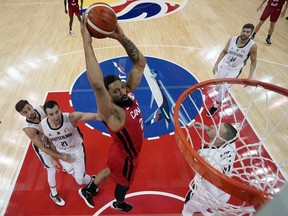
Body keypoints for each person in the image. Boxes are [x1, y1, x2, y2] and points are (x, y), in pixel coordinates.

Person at [78, 15, 147, 212]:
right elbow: (98, 85)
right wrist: (87, 42)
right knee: (124, 182)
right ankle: (119, 202)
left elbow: (140, 63)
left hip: (118, 150)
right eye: (115, 91)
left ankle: (89, 189)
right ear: (108, 96)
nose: (122, 92)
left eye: (122, 88)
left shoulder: (128, 94)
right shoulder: (112, 113)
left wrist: (121, 37)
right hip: (127, 157)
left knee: (109, 170)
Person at [15, 100, 72, 206]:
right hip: (42, 147)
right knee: (51, 169)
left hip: (52, 139)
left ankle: (64, 166)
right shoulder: (28, 128)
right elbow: (42, 146)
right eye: (25, 112)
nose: (29, 112)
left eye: (29, 108)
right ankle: (54, 194)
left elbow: (56, 117)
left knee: (65, 155)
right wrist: (53, 158)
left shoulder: (41, 108)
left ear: (31, 106)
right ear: (21, 114)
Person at [40, 100, 101, 189]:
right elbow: (47, 144)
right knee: (71, 172)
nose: (56, 116)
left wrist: (109, 116)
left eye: (57, 112)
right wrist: (53, 159)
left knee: (80, 180)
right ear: (46, 115)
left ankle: (92, 181)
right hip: (61, 153)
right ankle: (85, 177)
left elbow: (95, 116)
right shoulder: (42, 126)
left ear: (60, 109)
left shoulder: (71, 118)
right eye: (51, 114)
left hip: (76, 150)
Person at [182, 122, 237, 215]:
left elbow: (195, 164)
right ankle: (209, 210)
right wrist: (208, 128)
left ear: (219, 139)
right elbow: (230, 136)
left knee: (187, 210)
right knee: (209, 206)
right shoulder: (231, 146)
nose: (212, 125)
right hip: (224, 194)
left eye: (215, 127)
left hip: (205, 195)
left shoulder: (205, 155)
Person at [207, 23, 257, 117]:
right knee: (217, 87)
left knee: (223, 87)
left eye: (247, 32)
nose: (244, 33)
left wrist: (249, 77)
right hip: (225, 66)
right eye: (243, 31)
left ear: (251, 33)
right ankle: (221, 94)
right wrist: (216, 64)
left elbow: (253, 61)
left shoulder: (252, 46)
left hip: (235, 70)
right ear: (241, 30)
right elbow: (224, 51)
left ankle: (215, 105)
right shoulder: (232, 39)